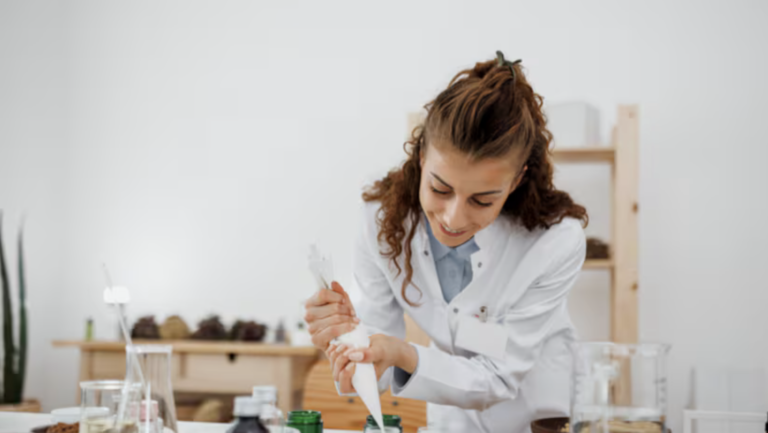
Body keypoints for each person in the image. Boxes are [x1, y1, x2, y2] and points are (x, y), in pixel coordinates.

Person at [303, 51, 588, 433]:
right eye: (440, 188)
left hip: (539, 411)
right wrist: (349, 343)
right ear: (422, 157)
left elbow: (500, 372)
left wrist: (402, 353)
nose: (453, 218)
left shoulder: (555, 242)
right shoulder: (380, 222)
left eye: (482, 200)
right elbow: (378, 362)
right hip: (453, 413)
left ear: (516, 181)